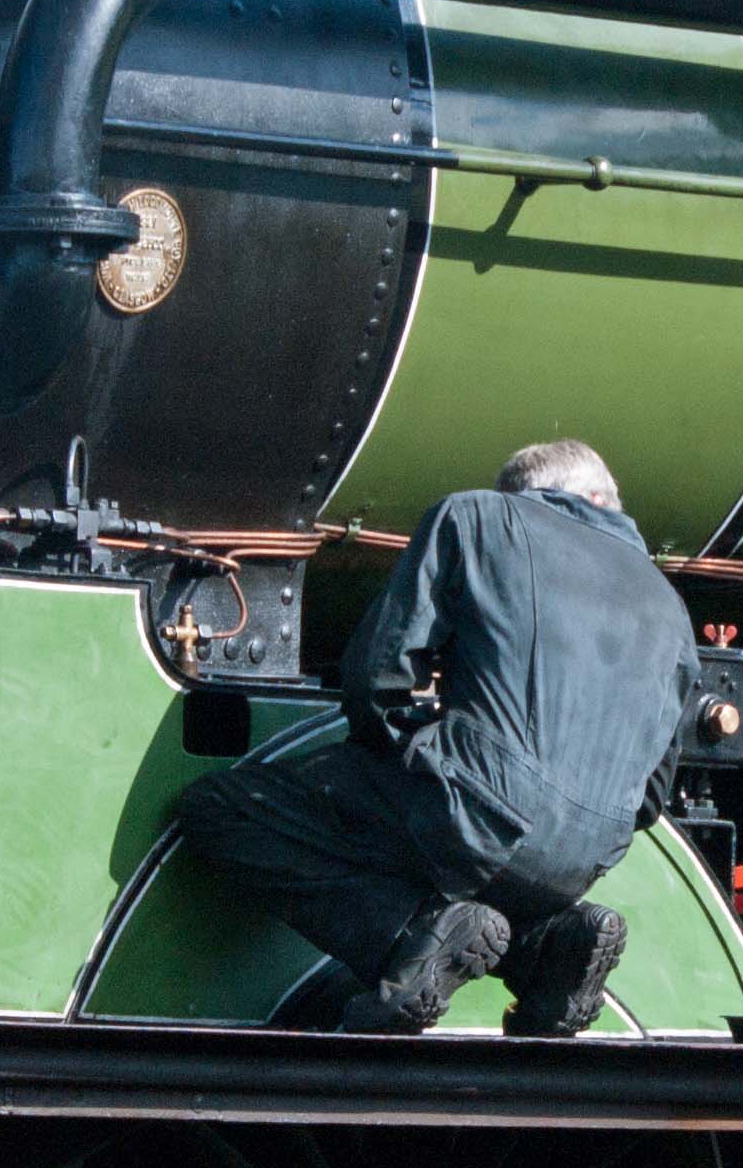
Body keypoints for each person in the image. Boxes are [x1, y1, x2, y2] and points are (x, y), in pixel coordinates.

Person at [175, 441, 694, 1034]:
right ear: (603, 500)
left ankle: (406, 936)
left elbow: (378, 677)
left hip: (476, 810)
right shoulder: (670, 605)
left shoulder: (476, 517)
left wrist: (422, 755)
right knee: (477, 862)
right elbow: (652, 795)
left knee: (222, 809)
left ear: (524, 496)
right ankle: (549, 946)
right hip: (586, 858)